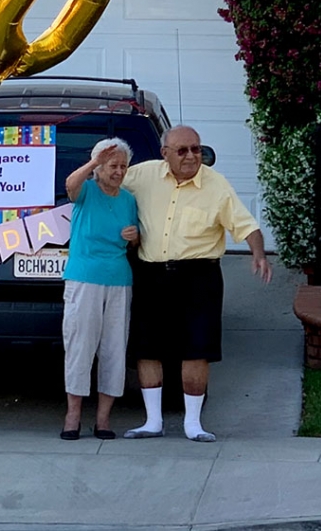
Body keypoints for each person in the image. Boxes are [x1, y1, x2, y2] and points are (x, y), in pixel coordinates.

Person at [122, 125, 272, 443]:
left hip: (199, 276)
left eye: (197, 149)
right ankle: (153, 421)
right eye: (183, 150)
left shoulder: (217, 185)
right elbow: (106, 188)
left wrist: (258, 253)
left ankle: (193, 423)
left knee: (197, 348)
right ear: (165, 154)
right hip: (151, 273)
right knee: (148, 349)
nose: (192, 156)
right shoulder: (142, 175)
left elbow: (246, 225)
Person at [59, 138, 139, 440]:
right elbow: (71, 184)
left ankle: (103, 419)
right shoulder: (87, 191)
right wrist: (93, 162)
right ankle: (73, 415)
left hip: (119, 279)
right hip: (84, 277)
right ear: (99, 167)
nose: (118, 172)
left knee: (114, 348)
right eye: (112, 166)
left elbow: (137, 241)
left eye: (122, 166)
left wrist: (134, 237)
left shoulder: (128, 200)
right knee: (80, 345)